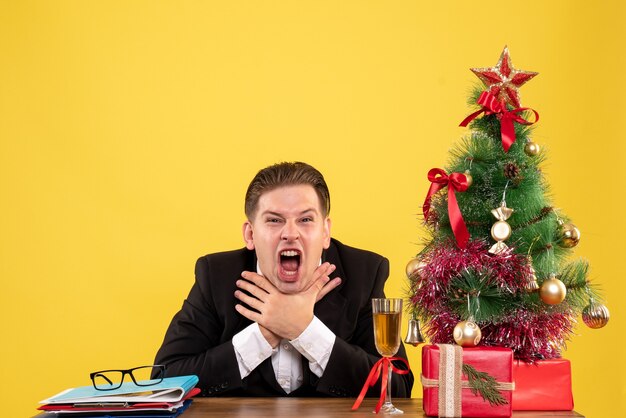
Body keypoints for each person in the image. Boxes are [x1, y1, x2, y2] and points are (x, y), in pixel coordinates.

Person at [153, 162, 413, 397]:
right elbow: (165, 382)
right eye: (274, 220)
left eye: (306, 219)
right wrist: (265, 332)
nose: (290, 233)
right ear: (250, 235)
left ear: (325, 232)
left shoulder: (363, 273)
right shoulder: (216, 275)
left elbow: (396, 387)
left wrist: (304, 329)